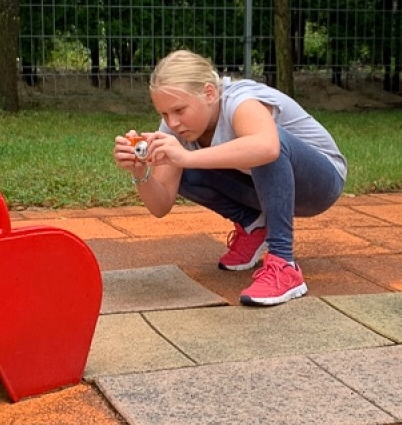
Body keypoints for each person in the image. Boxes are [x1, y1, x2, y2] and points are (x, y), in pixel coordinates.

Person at [114, 50, 347, 306]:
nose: (173, 122)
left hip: (319, 184)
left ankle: (284, 264)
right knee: (179, 161)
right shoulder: (175, 127)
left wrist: (185, 158)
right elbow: (160, 205)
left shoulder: (240, 100)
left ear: (209, 93)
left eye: (179, 110)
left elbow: (268, 147)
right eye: (165, 114)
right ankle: (254, 225)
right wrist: (140, 171)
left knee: (264, 143)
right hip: (265, 190)